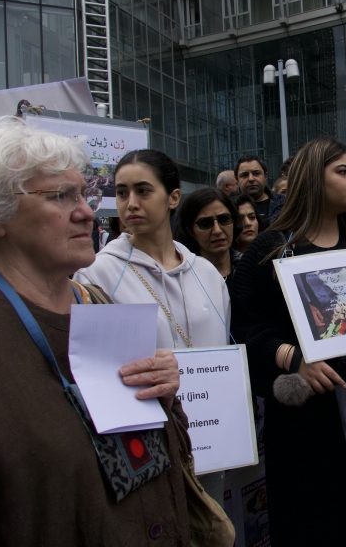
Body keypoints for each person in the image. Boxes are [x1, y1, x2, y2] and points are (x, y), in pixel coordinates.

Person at [0, 117, 194, 545]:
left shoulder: (96, 303)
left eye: (86, 193)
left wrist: (167, 398)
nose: (87, 211)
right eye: (61, 195)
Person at [230, 137, 346, 547]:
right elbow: (246, 330)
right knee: (317, 519)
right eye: (342, 172)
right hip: (308, 409)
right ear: (313, 179)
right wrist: (294, 359)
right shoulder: (271, 249)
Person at [74, 150, 230, 500]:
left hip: (214, 441)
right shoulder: (97, 274)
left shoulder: (206, 272)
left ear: (173, 197)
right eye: (123, 192)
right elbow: (98, 377)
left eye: (143, 191)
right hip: (149, 448)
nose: (130, 203)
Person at [174, 187, 239, 281]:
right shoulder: (182, 279)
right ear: (190, 231)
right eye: (205, 224)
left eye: (224, 219)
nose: (217, 230)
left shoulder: (251, 268)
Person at [235, 155, 283, 225]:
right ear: (237, 180)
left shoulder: (284, 204)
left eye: (256, 173)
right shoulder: (230, 208)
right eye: (245, 175)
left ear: (265, 176)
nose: (251, 179)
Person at [233, 193, 262, 257]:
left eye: (252, 217)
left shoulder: (271, 255)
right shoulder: (226, 261)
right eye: (240, 219)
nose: (248, 223)